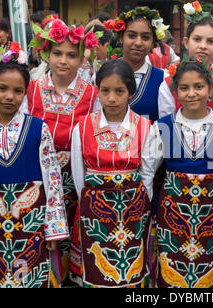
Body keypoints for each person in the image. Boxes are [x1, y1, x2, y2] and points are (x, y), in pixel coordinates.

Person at [0, 46, 69, 288]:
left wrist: (54, 226)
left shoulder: (39, 129)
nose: (9, 96)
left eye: (18, 91)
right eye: (2, 89)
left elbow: (53, 180)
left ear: (25, 94)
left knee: (33, 275)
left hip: (32, 222)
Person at [23, 18, 99, 284]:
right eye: (57, 53)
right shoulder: (31, 91)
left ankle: (69, 276)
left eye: (71, 55)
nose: (63, 60)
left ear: (81, 59)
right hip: (37, 176)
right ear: (46, 53)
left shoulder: (92, 95)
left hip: (73, 178)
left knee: (71, 230)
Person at [147, 55, 213, 288]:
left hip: (212, 215)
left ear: (210, 89)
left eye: (198, 87)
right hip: (173, 214)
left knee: (210, 267)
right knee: (173, 267)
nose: (191, 93)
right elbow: (148, 170)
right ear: (175, 92)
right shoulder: (163, 126)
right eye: (184, 88)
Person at [70, 59, 154, 287]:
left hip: (133, 211)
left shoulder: (146, 127)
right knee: (99, 268)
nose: (112, 98)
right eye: (105, 90)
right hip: (95, 212)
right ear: (98, 90)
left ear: (131, 93)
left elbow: (147, 174)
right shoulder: (83, 126)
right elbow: (79, 176)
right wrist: (90, 204)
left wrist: (139, 205)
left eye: (119, 91)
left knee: (132, 269)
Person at [159, 1, 213, 120]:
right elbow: (167, 127)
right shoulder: (168, 84)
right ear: (186, 42)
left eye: (210, 41)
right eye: (197, 39)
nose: (203, 46)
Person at [103, 7, 168, 123]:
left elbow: (165, 125)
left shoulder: (163, 79)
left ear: (153, 42)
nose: (138, 43)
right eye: (132, 36)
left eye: (146, 37)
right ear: (121, 37)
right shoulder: (102, 75)